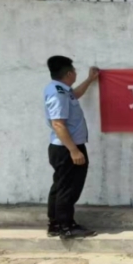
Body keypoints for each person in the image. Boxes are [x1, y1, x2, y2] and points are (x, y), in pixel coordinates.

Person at [44, 56, 100, 239]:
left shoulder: (61, 90)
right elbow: (58, 124)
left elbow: (75, 94)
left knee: (61, 186)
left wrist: (90, 80)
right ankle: (66, 227)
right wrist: (74, 150)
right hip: (68, 148)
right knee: (69, 188)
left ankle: (55, 224)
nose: (76, 73)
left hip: (63, 147)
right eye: (74, 71)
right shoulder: (58, 93)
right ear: (69, 74)